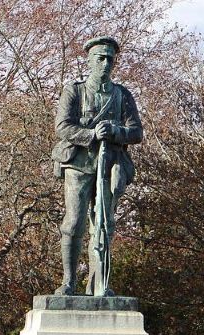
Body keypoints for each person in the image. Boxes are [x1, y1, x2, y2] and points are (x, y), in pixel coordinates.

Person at [52, 36, 143, 297]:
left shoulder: (122, 95)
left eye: (110, 59)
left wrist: (115, 131)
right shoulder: (75, 91)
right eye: (100, 58)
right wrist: (91, 135)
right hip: (79, 165)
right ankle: (68, 282)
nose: (105, 63)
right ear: (90, 60)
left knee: (104, 224)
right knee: (74, 222)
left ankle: (98, 284)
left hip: (109, 166)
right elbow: (62, 127)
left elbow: (136, 132)